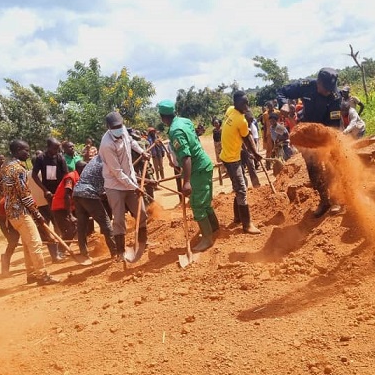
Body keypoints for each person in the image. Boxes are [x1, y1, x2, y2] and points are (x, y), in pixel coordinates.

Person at [278, 68, 344, 217]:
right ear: (318, 83)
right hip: (307, 135)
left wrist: (322, 142)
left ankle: (336, 200)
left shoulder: (335, 97)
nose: (328, 92)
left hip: (326, 134)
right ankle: (324, 200)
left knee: (330, 166)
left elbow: (333, 125)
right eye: (325, 88)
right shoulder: (306, 85)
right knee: (313, 170)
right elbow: (282, 91)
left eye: (330, 89)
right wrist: (283, 104)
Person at [157, 99, 219, 251]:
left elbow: (186, 156)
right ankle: (214, 228)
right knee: (205, 202)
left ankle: (207, 239)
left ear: (163, 117)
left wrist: (186, 182)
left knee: (197, 205)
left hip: (197, 169)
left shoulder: (175, 131)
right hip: (204, 164)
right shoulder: (185, 121)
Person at [0, 140, 59, 285]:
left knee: (27, 243)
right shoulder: (19, 170)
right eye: (26, 150)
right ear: (18, 150)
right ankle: (43, 276)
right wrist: (37, 213)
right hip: (21, 212)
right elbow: (24, 194)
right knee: (36, 243)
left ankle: (31, 274)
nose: (28, 153)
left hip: (11, 212)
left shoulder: (5, 168)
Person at [99, 111, 150, 261]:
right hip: (115, 185)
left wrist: (142, 152)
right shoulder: (106, 144)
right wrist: (134, 186)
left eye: (120, 125)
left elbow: (132, 142)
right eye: (115, 126)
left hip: (131, 181)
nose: (119, 128)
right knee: (119, 218)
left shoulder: (123, 131)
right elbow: (117, 172)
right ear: (109, 127)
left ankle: (142, 242)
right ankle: (120, 252)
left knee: (141, 212)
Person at [220, 91, 263, 234]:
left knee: (239, 186)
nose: (247, 105)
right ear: (236, 103)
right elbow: (248, 138)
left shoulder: (230, 110)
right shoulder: (241, 120)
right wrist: (256, 153)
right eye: (244, 103)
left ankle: (238, 218)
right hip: (232, 159)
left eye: (247, 102)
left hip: (227, 156)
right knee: (242, 189)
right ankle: (247, 225)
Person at [72, 154, 118, 259]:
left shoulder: (96, 159)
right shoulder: (108, 161)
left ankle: (84, 254)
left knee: (82, 225)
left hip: (77, 192)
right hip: (88, 193)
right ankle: (115, 252)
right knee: (105, 222)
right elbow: (120, 177)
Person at [32, 138, 68, 262]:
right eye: (54, 148)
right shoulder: (41, 159)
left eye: (58, 148)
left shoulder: (60, 158)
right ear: (48, 147)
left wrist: (62, 191)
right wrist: (44, 190)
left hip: (59, 194)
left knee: (59, 222)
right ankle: (55, 253)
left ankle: (61, 249)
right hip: (48, 195)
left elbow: (65, 175)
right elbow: (34, 175)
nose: (56, 150)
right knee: (50, 223)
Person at [50, 160, 85, 242]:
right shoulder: (70, 177)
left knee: (75, 228)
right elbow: (67, 195)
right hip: (60, 207)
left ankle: (63, 250)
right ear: (81, 169)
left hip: (68, 206)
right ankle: (61, 251)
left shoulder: (78, 177)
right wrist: (70, 215)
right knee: (71, 229)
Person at [261, 101, 278, 170]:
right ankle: (268, 165)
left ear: (273, 106)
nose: (270, 107)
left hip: (277, 132)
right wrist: (264, 136)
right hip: (269, 133)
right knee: (269, 149)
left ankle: (277, 164)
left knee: (277, 148)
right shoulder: (265, 115)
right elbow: (265, 125)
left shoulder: (277, 112)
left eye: (271, 106)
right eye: (268, 106)